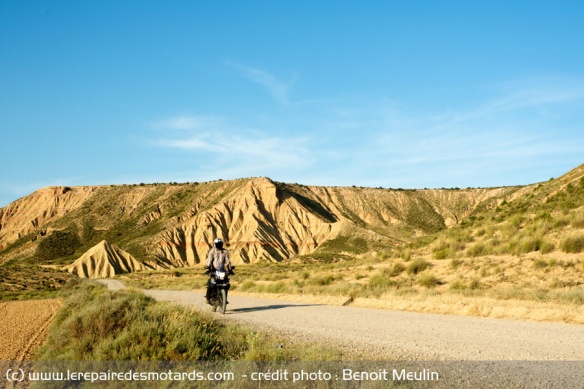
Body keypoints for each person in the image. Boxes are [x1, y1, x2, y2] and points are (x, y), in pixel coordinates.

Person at [205, 238, 232, 303]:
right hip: (214, 270)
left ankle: (224, 298)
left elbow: (227, 260)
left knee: (227, 284)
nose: (219, 245)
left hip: (222, 270)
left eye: (220, 244)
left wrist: (230, 269)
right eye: (218, 244)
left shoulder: (225, 251)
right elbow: (210, 259)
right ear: (215, 244)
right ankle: (208, 298)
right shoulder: (212, 251)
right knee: (211, 284)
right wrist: (208, 267)